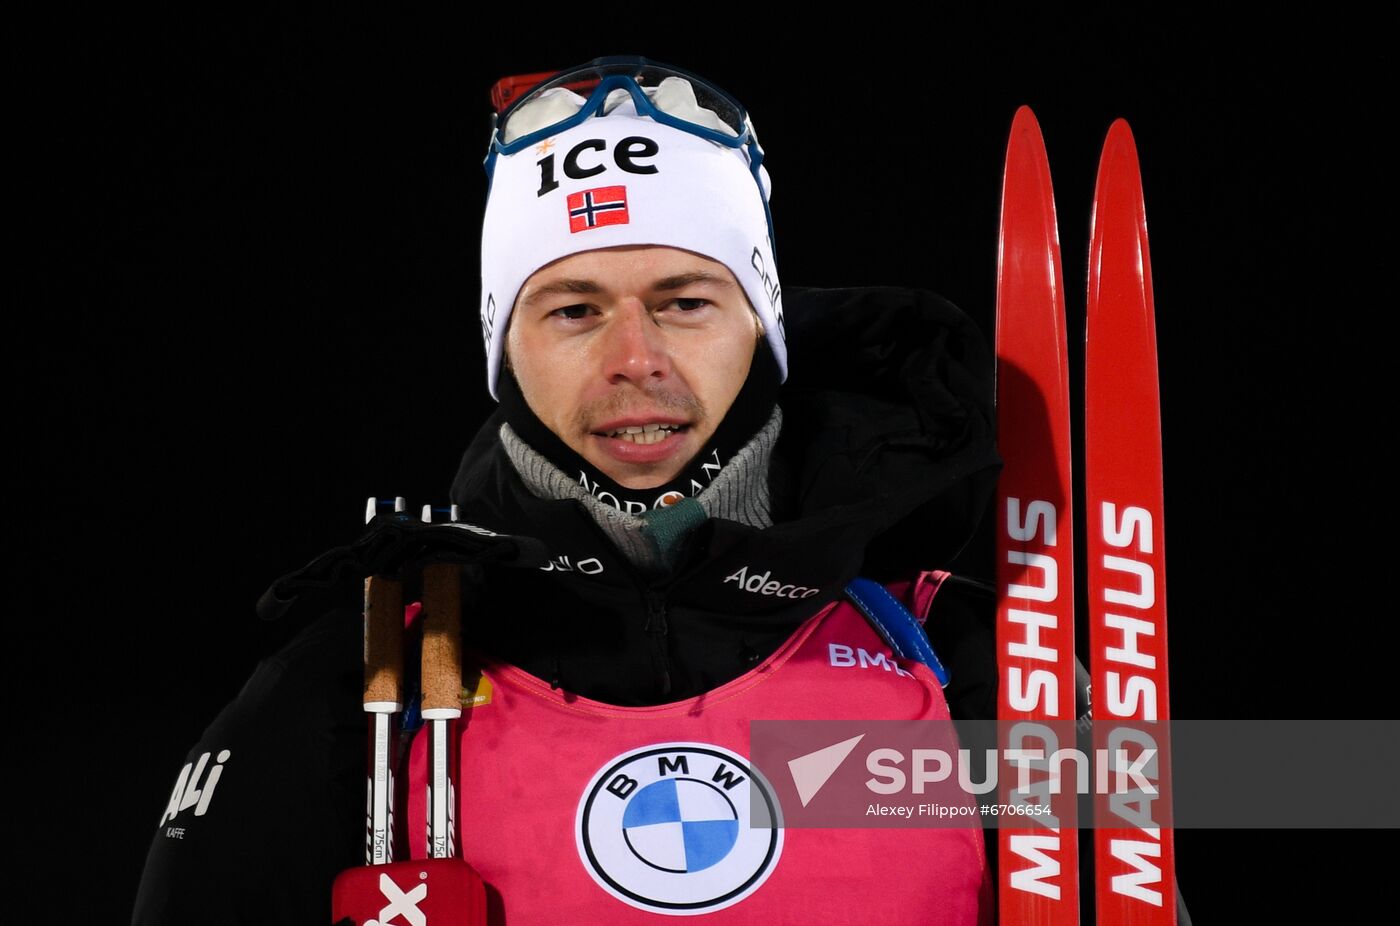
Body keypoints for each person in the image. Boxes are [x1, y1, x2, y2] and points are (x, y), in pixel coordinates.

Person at [132, 56, 1002, 925]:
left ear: (763, 328)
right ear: (505, 348)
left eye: (686, 302)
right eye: (574, 310)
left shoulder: (959, 662)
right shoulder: (359, 693)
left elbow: (1125, 875)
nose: (636, 358)